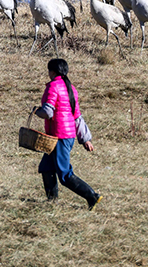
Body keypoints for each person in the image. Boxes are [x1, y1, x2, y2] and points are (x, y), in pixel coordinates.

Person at [34, 58, 102, 209]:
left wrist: (36, 111)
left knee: (64, 175)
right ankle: (52, 202)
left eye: (49, 70)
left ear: (53, 71)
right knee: (46, 167)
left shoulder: (53, 86)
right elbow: (77, 115)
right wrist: (85, 139)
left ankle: (92, 196)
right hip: (64, 136)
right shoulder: (71, 87)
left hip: (60, 137)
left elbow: (47, 112)